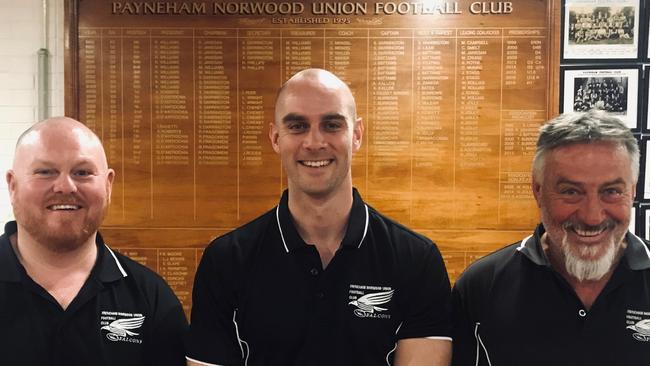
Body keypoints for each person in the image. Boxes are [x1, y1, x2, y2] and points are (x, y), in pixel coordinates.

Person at [186, 69, 452, 365]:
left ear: (357, 134)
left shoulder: (416, 259)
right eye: (298, 126)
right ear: (275, 138)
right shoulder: (226, 261)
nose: (314, 142)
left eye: (332, 124)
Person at [451, 109, 650, 365]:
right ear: (537, 190)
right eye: (571, 191)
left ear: (633, 191)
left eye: (611, 191)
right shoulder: (480, 286)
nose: (592, 216)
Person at [1, 117, 187, 365]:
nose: (65, 186)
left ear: (108, 185)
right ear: (13, 185)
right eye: (45, 172)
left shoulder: (151, 299)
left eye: (82, 172)